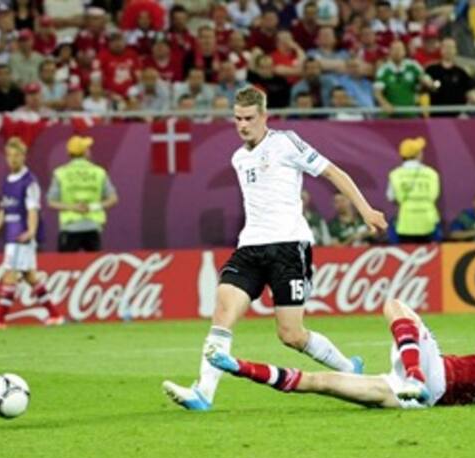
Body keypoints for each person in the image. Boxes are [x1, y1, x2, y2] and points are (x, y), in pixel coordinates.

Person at [162, 86, 388, 411]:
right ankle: (203, 393)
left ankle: (348, 370)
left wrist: (365, 210)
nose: (242, 125)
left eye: (249, 118)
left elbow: (332, 172)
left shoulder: (285, 142)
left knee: (291, 335)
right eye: (238, 118)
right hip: (250, 246)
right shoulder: (239, 158)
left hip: (288, 247)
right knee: (223, 311)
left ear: (264, 116)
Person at [206, 299, 475, 409]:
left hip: (433, 378)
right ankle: (239, 366)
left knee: (395, 305)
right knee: (322, 382)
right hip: (415, 397)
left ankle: (415, 375)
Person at [0, 137, 63, 328]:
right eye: (9, 155)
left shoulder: (29, 182)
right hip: (11, 236)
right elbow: (3, 209)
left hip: (21, 236)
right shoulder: (7, 181)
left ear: (24, 156)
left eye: (17, 155)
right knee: (30, 277)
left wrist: (31, 231)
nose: (13, 159)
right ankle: (55, 315)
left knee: (9, 275)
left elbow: (33, 209)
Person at [47, 135, 118, 252]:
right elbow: (113, 199)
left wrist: (73, 207)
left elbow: (51, 202)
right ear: (85, 152)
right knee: (94, 263)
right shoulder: (99, 172)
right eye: (87, 148)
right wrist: (92, 207)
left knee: (65, 263)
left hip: (69, 227)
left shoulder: (60, 173)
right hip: (92, 227)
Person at [387, 137, 440, 244]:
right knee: (430, 253)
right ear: (418, 154)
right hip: (429, 222)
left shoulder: (395, 174)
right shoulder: (431, 173)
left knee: (409, 252)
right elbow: (434, 195)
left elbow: (391, 197)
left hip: (406, 223)